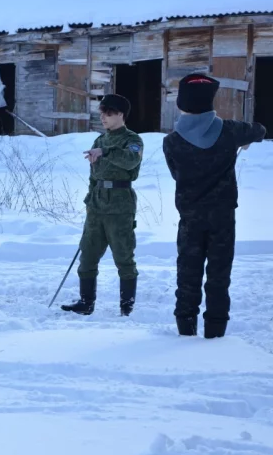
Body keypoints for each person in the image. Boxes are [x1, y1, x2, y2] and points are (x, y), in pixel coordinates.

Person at [163, 73, 266, 338]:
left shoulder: (171, 141)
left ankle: (186, 328)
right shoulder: (231, 130)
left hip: (190, 217)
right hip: (222, 216)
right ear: (211, 102)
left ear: (182, 105)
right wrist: (241, 141)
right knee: (219, 275)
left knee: (188, 273)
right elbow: (260, 130)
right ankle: (215, 331)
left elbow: (177, 174)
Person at [61, 94, 143, 317]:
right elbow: (94, 176)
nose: (103, 118)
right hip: (97, 205)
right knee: (87, 255)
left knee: (123, 256)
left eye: (109, 113)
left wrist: (105, 153)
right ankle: (86, 303)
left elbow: (131, 160)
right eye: (102, 113)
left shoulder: (132, 140)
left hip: (120, 205)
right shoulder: (99, 141)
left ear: (121, 115)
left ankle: (127, 306)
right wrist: (90, 199)